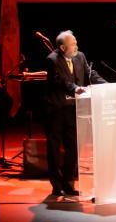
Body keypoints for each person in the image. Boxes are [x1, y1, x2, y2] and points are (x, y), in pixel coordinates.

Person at [45, 30, 106, 197]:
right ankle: (56, 185)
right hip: (56, 110)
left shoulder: (80, 56)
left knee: (73, 148)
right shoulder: (52, 59)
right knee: (54, 149)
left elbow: (90, 73)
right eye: (73, 44)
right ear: (63, 47)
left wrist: (105, 85)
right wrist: (75, 89)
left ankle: (69, 184)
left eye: (76, 43)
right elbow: (60, 80)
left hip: (73, 109)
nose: (77, 46)